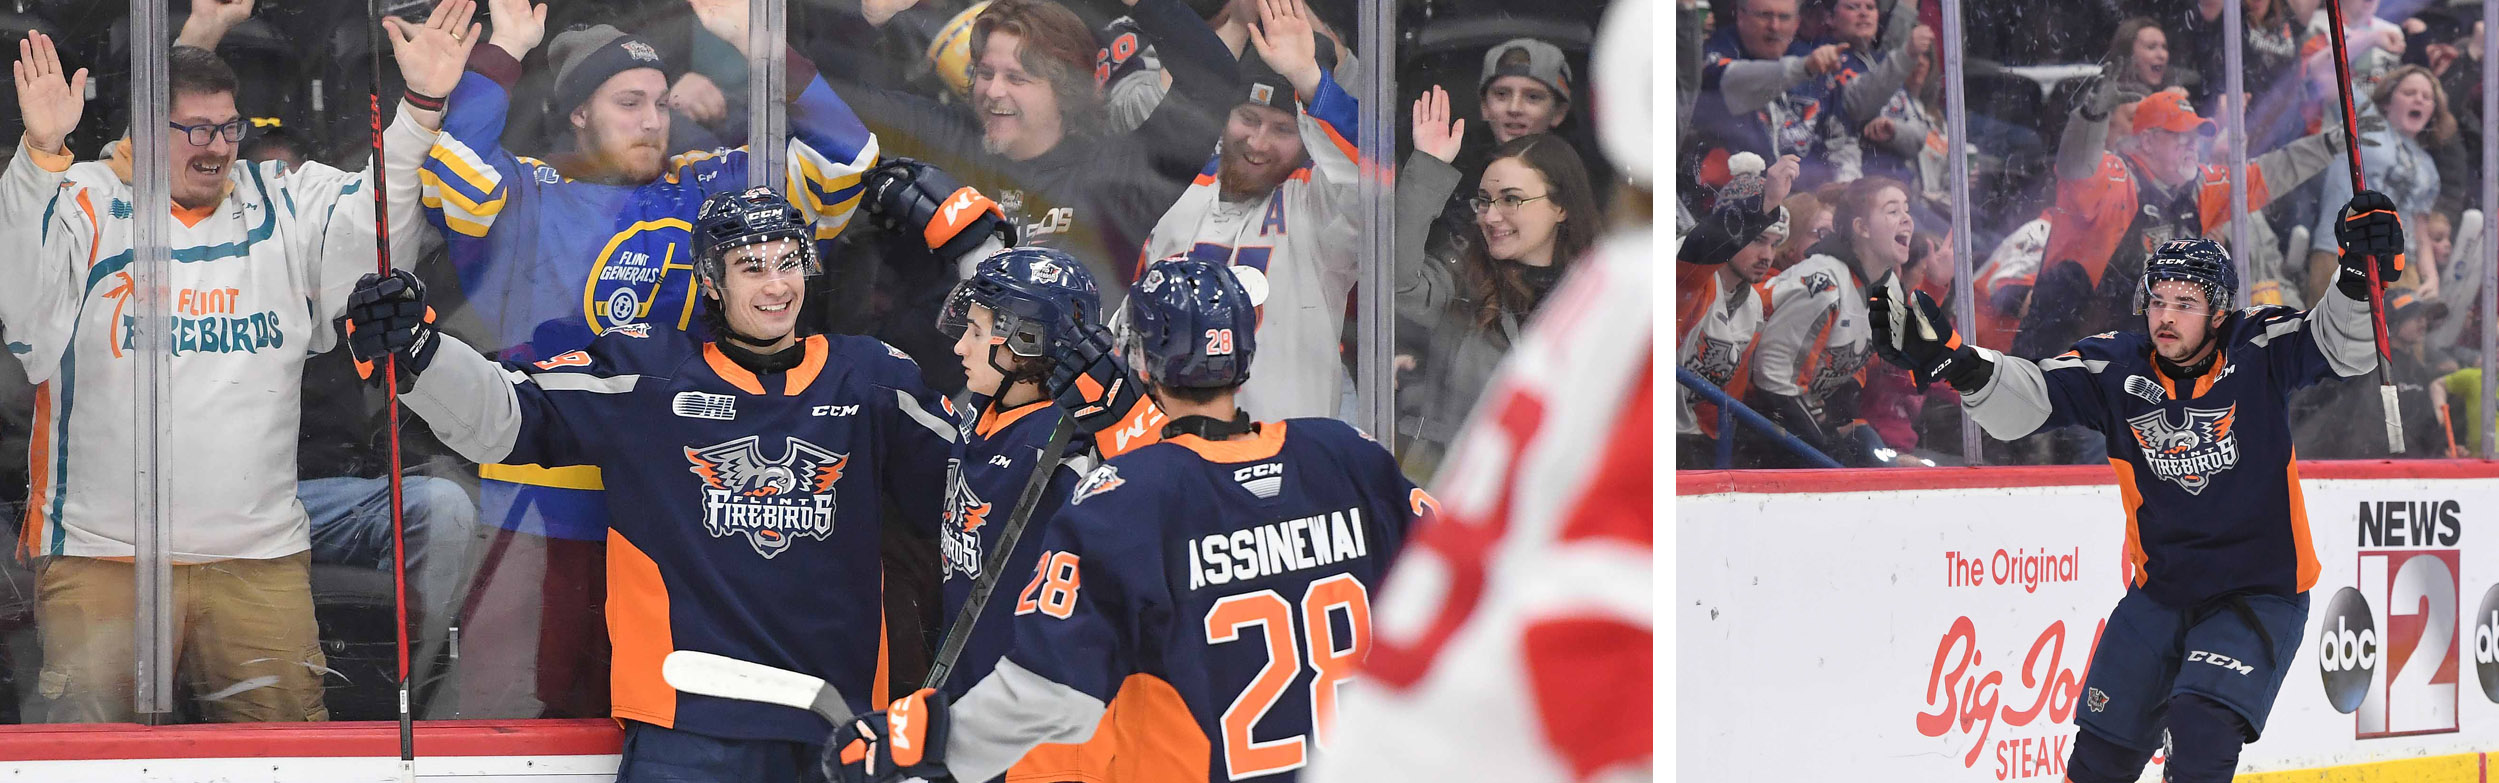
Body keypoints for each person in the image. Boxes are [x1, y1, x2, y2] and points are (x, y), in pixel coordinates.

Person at [344, 187, 954, 779]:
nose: (776, 285)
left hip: (835, 720)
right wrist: (422, 353)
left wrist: (1038, 377)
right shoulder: (648, 375)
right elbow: (507, 418)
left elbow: (977, 487)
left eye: (788, 262)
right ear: (711, 283)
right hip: (690, 726)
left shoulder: (873, 379)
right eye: (751, 267)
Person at [821, 257, 1430, 783]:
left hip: (1097, 753)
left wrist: (915, 737)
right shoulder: (1343, 454)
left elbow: (1048, 697)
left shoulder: (1127, 488)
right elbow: (1468, 566)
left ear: (1138, 358)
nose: (959, 346)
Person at [1864, 193, 2403, 783]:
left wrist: (2357, 276)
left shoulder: (2260, 347)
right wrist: (1956, 364)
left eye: (2186, 304)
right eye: (2159, 301)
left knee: (2201, 742)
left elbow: (2343, 349)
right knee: (2098, 765)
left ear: (2220, 313)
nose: (2166, 316)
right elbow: (2030, 398)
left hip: (2257, 594)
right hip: (2161, 593)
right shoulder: (2116, 367)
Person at [0, 8, 434, 722]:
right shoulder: (84, 199)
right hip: (104, 557)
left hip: (258, 559)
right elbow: (25, 322)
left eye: (229, 128)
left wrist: (417, 114)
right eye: (196, 131)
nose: (218, 148)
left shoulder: (281, 199)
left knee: (292, 764)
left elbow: (374, 253)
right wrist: (40, 154)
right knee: (91, 766)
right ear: (144, 135)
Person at [824, 0, 1240, 291]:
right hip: (949, 398)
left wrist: (1146, 3)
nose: (992, 91)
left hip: (1077, 404)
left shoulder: (1121, 174)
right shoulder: (944, 137)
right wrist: (868, 20)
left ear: (1066, 91)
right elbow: (830, 106)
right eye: (985, 73)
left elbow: (1214, 83)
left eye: (1017, 78)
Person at [929, 247, 1124, 782]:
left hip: (1034, 738)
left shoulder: (1067, 450)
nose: (960, 346)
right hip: (970, 702)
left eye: (976, 331)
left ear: (1028, 340)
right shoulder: (981, 416)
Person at [1141, 0, 1358, 421]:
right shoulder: (1178, 189)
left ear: (1309, 135)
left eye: (1282, 129)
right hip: (1172, 450)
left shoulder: (1321, 204)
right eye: (1248, 118)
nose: (1258, 143)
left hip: (1284, 462)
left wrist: (1308, 79)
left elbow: (1370, 175)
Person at [1393, 134, 1600, 478]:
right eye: (1485, 201)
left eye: (1511, 200)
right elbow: (1396, 280)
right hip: (1455, 499)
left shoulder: (1602, 296)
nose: (1490, 217)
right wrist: (1429, 168)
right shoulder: (1461, 279)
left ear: (1560, 207)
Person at [1745, 176, 1912, 467]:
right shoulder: (1823, 284)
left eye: (1907, 209)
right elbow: (1773, 381)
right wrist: (1828, 445)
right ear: (1861, 228)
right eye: (1892, 210)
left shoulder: (1891, 288)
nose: (1907, 219)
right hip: (1748, 414)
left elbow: (1851, 366)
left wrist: (1838, 424)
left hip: (1796, 412)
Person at [2303, 64, 2450, 303]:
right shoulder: (2365, 119)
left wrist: (2431, 276)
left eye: (2427, 97)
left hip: (2401, 269)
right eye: (2409, 93)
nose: (2419, 100)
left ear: (2434, 111)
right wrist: (2372, 35)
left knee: (2399, 341)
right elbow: (2323, 69)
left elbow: (2419, 226)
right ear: (2387, 101)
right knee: (2336, 338)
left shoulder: (2428, 167)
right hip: (2343, 253)